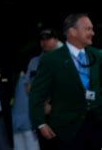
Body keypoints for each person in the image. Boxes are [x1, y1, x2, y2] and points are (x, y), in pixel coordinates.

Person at [29, 13, 102, 149]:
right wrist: (40, 123)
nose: (92, 32)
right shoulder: (51, 59)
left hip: (96, 127)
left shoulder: (97, 55)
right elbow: (37, 94)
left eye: (92, 29)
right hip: (66, 131)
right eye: (88, 29)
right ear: (72, 31)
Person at [12, 29, 62, 150]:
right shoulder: (34, 61)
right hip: (38, 115)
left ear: (56, 40)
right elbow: (28, 87)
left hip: (57, 113)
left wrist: (49, 101)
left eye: (48, 39)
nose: (44, 42)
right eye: (42, 39)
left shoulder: (64, 60)